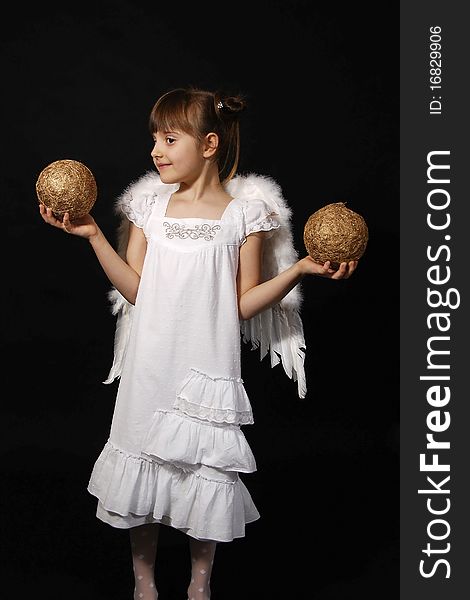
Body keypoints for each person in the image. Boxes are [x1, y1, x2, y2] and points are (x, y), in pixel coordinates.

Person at [39, 86, 357, 600]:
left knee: (202, 473)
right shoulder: (149, 208)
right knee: (144, 464)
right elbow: (137, 290)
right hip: (152, 363)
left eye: (169, 138)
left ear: (209, 144)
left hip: (205, 364)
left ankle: (199, 584)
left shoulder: (243, 218)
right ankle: (144, 582)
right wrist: (96, 235)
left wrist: (299, 268)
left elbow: (242, 304)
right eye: (153, 139)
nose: (155, 151)